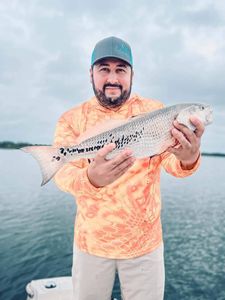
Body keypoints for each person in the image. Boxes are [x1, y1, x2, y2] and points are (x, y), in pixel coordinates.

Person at [53, 36, 204, 300]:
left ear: (132, 74)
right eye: (104, 69)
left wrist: (188, 157)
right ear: (91, 74)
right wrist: (90, 178)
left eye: (120, 69)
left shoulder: (155, 112)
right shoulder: (72, 119)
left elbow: (172, 163)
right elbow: (63, 174)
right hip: (91, 243)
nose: (112, 78)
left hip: (145, 245)